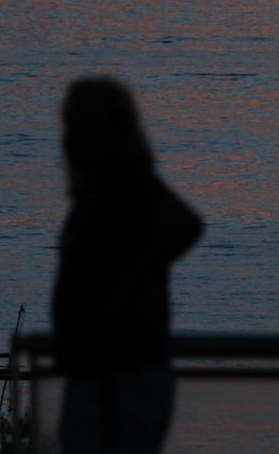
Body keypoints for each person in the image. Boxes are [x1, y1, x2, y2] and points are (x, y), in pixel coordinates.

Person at [53, 76, 204, 454]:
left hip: (122, 376)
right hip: (95, 371)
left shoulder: (129, 183)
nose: (70, 133)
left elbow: (186, 225)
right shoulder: (97, 189)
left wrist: (129, 279)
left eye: (78, 121)